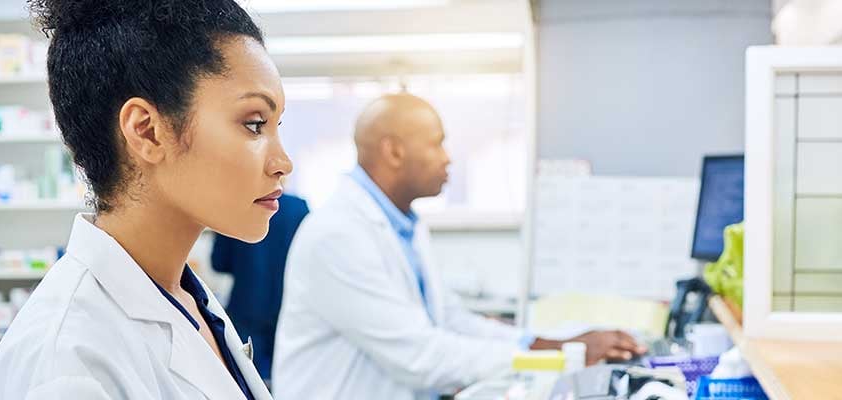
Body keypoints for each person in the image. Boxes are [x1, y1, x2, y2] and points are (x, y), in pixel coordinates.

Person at [0, 0, 290, 398]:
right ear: (147, 132)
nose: (283, 163)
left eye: (277, 126)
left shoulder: (180, 295)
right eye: (254, 124)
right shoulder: (70, 365)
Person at [272, 93, 646, 399]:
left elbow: (449, 320)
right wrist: (557, 355)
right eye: (437, 143)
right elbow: (421, 356)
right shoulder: (339, 233)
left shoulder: (402, 225)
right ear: (394, 151)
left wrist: (546, 341)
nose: (448, 158)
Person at [211, 194, 310, 382]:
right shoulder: (299, 210)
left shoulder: (235, 208)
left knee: (244, 382)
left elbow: (219, 262)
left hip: (246, 310)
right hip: (287, 310)